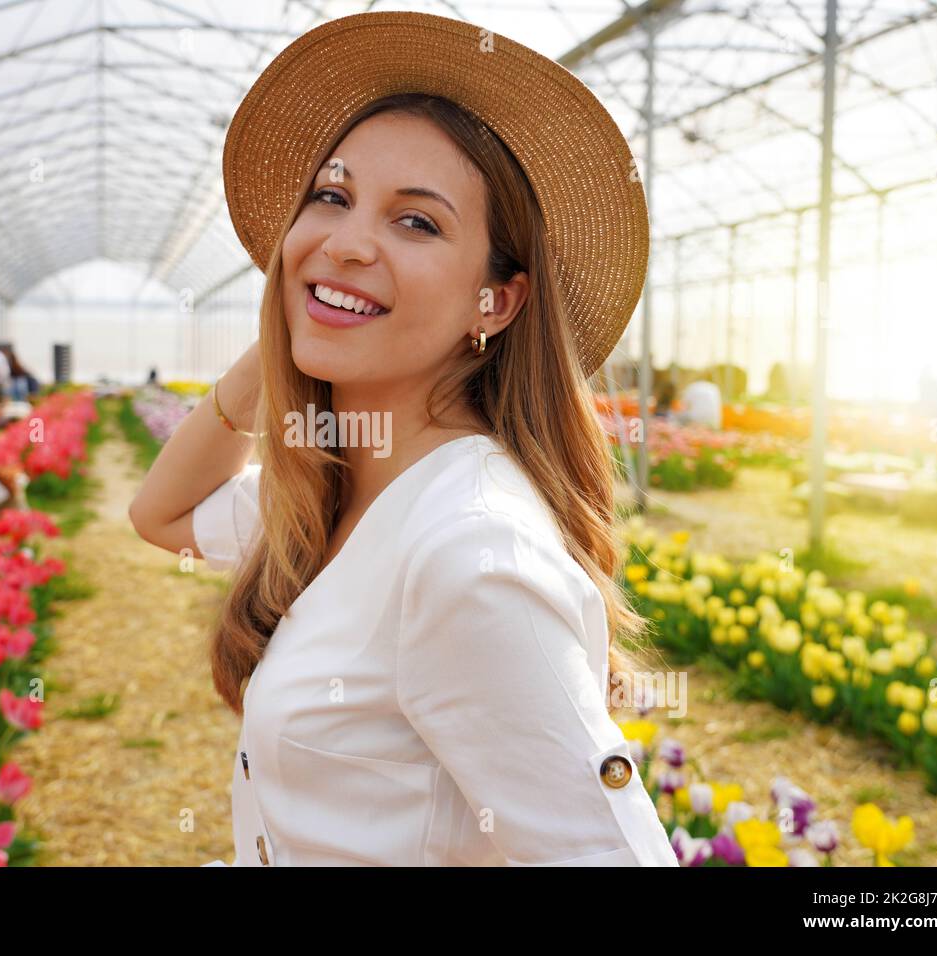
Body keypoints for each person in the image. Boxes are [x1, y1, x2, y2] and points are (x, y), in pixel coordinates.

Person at [129, 11, 676, 867]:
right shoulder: (339, 485)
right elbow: (161, 516)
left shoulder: (471, 555)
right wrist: (294, 321)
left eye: (416, 222)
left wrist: (324, 305)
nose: (347, 241)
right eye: (332, 198)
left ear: (495, 301)